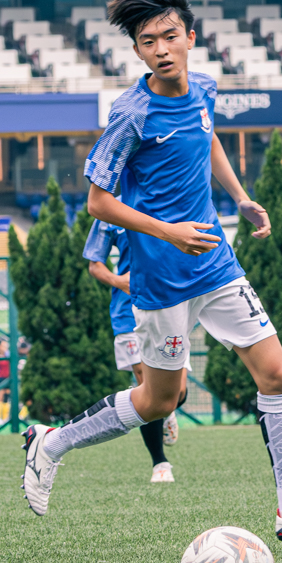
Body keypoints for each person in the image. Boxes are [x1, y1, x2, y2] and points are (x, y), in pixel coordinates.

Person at [20, 0, 282, 543]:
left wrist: (240, 197)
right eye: (148, 41)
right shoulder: (131, 113)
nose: (161, 49)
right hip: (161, 277)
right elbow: (98, 202)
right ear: (137, 51)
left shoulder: (204, 88)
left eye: (169, 36)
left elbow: (208, 138)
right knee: (160, 400)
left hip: (216, 265)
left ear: (190, 37)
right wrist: (169, 233)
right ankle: (51, 442)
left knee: (277, 374)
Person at [83, 195, 185, 484]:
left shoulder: (166, 196)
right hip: (128, 311)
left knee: (177, 393)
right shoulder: (108, 208)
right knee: (148, 387)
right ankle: (160, 463)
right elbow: (95, 265)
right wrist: (119, 281)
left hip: (170, 303)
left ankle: (167, 411)